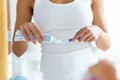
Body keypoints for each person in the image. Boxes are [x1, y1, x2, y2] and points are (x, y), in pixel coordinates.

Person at [12, 0, 115, 80]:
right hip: (50, 74)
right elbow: (17, 51)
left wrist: (98, 32)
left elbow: (106, 45)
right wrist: (24, 32)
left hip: (87, 73)